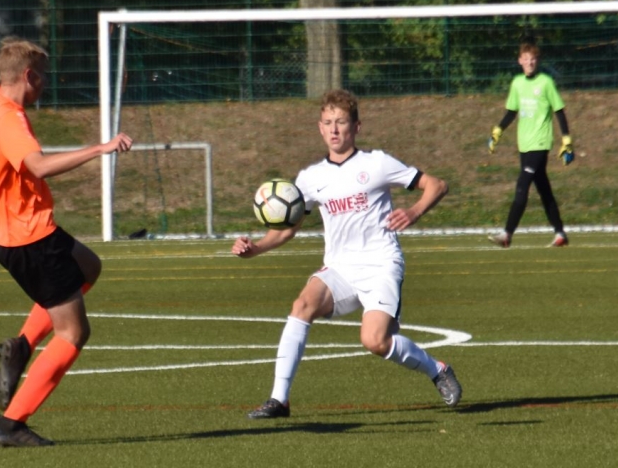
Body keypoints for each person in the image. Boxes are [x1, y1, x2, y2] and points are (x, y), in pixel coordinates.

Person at [0, 37, 133, 447]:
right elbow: (40, 166)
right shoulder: (10, 119)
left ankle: (22, 347)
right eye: (42, 76)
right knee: (73, 333)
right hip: (27, 235)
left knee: (89, 265)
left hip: (1, 227)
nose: (45, 83)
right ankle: (11, 425)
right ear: (28, 76)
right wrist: (100, 148)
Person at [232, 89, 461, 418]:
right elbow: (287, 228)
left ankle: (436, 369)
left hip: (380, 265)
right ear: (320, 128)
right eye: (328, 123)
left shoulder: (377, 163)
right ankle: (279, 400)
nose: (334, 129)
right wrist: (255, 248)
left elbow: (437, 185)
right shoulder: (310, 179)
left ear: (356, 127)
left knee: (375, 341)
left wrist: (414, 211)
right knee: (302, 305)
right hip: (339, 268)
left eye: (341, 122)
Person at [487, 40, 574, 248]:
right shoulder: (517, 83)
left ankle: (507, 234)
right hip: (524, 144)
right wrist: (497, 131)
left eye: (533, 59)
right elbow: (511, 111)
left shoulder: (546, 82)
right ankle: (560, 233)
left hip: (540, 143)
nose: (530, 62)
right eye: (526, 59)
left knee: (522, 186)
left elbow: (559, 110)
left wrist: (566, 140)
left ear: (537, 61)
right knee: (544, 189)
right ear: (520, 61)